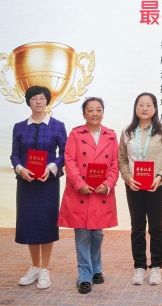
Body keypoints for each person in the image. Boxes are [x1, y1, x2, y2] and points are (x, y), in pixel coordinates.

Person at [58, 97, 119, 294]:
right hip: (81, 192)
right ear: (84, 113)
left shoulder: (111, 135)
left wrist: (108, 184)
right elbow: (69, 161)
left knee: (97, 234)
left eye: (98, 110)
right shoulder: (75, 134)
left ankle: (96, 267)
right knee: (83, 234)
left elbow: (115, 164)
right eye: (90, 110)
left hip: (100, 192)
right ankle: (85, 275)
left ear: (103, 113)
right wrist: (79, 184)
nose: (95, 113)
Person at [11, 85, 67, 290]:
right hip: (26, 183)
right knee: (30, 222)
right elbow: (15, 154)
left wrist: (50, 168)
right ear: (28, 102)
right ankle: (34, 266)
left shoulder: (57, 125)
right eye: (34, 98)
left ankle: (45, 269)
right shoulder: (19, 127)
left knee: (46, 222)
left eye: (42, 98)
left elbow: (65, 153)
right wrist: (20, 169)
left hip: (47, 182)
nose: (38, 102)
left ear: (47, 101)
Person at [119, 92, 162, 286]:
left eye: (148, 105)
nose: (144, 108)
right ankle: (139, 267)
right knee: (137, 228)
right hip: (134, 186)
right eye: (140, 104)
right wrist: (128, 177)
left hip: (156, 186)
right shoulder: (127, 132)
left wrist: (160, 177)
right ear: (135, 108)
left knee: (156, 228)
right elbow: (122, 159)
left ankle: (156, 267)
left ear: (155, 108)